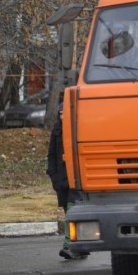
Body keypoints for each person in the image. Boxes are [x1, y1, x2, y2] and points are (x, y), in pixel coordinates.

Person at [46, 103, 87, 261]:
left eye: (65, 113)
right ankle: (81, 247)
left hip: (76, 179)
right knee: (69, 212)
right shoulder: (56, 130)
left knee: (71, 212)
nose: (63, 116)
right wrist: (53, 175)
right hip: (61, 180)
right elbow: (51, 155)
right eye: (60, 114)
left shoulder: (78, 128)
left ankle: (69, 246)